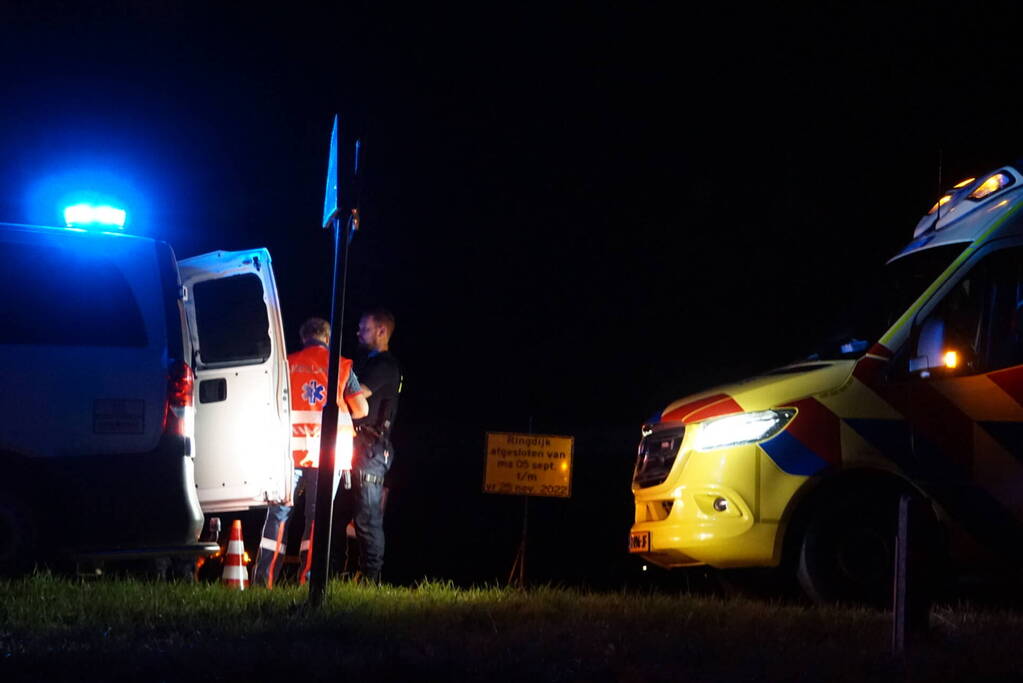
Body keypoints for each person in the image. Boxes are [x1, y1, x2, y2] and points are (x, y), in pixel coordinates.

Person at [252, 317, 368, 588]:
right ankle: (308, 582)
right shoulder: (341, 367)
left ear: (303, 337)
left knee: (279, 514)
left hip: (288, 453)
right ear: (327, 338)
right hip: (329, 455)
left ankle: (264, 581)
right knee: (317, 518)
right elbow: (361, 409)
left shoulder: (286, 363)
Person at [334, 308, 401, 584]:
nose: (358, 333)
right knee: (343, 516)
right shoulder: (368, 362)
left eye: (364, 328)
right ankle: (343, 574)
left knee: (367, 517)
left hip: (370, 450)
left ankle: (370, 581)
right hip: (356, 446)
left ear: (382, 332)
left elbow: (356, 395)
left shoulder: (384, 366)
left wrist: (340, 370)